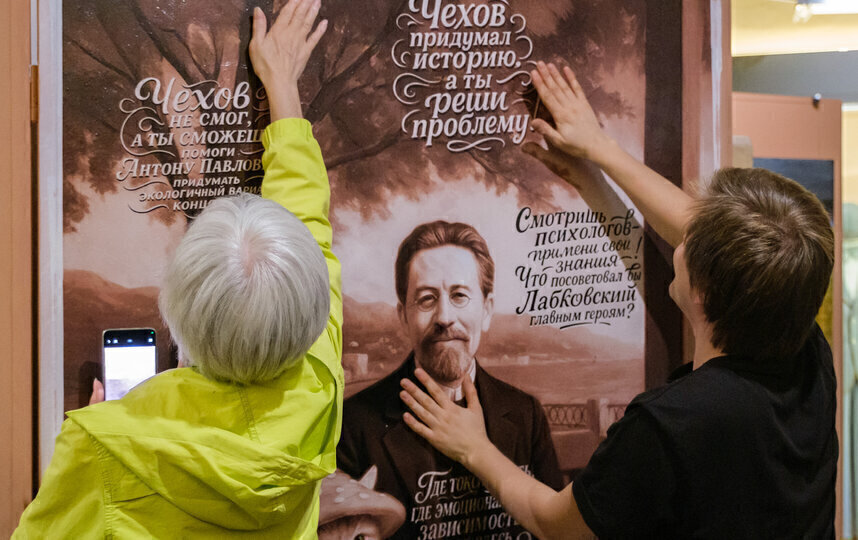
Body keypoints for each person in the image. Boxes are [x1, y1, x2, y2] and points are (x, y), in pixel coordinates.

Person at [400, 61, 837, 539]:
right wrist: (596, 160)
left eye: (692, 241)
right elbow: (713, 236)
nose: (683, 236)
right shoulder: (802, 348)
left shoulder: (668, 425)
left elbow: (555, 525)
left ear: (704, 292)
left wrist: (474, 447)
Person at [14, 1, 340, 537]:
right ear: (313, 312)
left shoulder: (105, 444)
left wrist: (106, 431)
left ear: (178, 321)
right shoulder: (320, 379)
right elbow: (310, 219)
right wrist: (283, 90)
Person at [337, 220, 564, 539]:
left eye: (459, 295)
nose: (444, 317)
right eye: (426, 299)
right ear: (403, 316)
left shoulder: (526, 414)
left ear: (487, 310)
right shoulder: (353, 426)